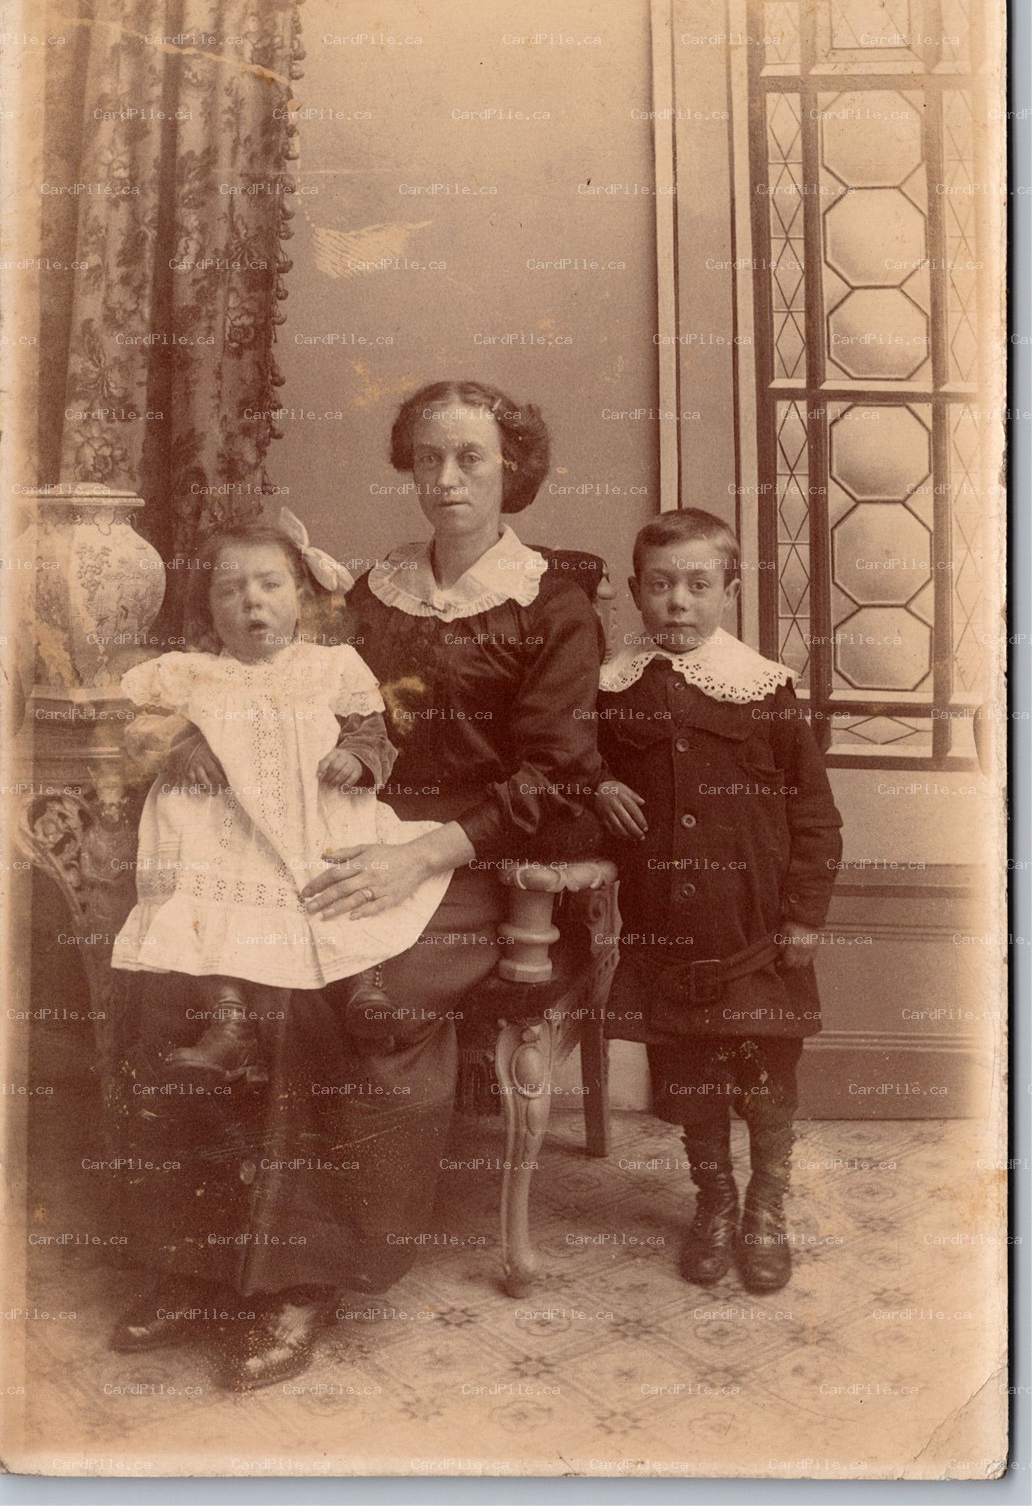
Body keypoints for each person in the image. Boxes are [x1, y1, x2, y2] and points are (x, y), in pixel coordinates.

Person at [107, 382, 604, 1391]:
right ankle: (199, 1264)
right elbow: (278, 684)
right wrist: (204, 741)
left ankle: (299, 1280)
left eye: (471, 457)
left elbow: (556, 776)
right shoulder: (372, 594)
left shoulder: (553, 603)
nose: (447, 478)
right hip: (333, 832)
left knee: (361, 1004)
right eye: (428, 457)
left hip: (481, 862)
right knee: (205, 976)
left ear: (515, 467)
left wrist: (424, 853)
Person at [594, 508, 842, 1293]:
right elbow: (568, 775)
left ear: (729, 591)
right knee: (691, 1077)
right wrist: (595, 784)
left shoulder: (765, 689)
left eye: (699, 586)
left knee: (767, 1078)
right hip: (667, 934)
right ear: (636, 591)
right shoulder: (612, 689)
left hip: (758, 932)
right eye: (661, 585)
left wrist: (803, 916)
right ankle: (715, 1203)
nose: (678, 603)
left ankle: (767, 1206)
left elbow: (815, 814)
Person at [111, 512, 452, 1079]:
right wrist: (186, 749)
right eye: (230, 590)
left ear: (302, 599)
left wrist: (359, 758)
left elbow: (375, 734)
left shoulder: (330, 667)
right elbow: (142, 730)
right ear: (209, 609)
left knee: (342, 879)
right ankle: (229, 1020)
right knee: (203, 892)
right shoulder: (193, 673)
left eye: (270, 585)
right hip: (228, 825)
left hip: (317, 816)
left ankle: (363, 986)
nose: (252, 603)